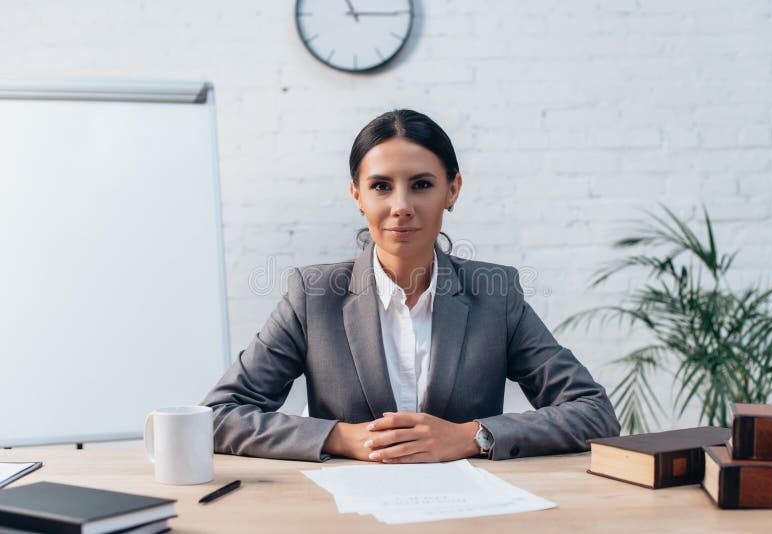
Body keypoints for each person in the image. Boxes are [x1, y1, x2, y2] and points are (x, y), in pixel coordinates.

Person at [202, 109, 620, 463]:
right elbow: (217, 416)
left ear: (452, 190)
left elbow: (593, 413)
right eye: (381, 186)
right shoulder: (313, 296)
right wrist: (339, 437)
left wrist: (471, 436)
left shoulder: (495, 294)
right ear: (357, 195)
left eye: (421, 185)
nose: (401, 206)